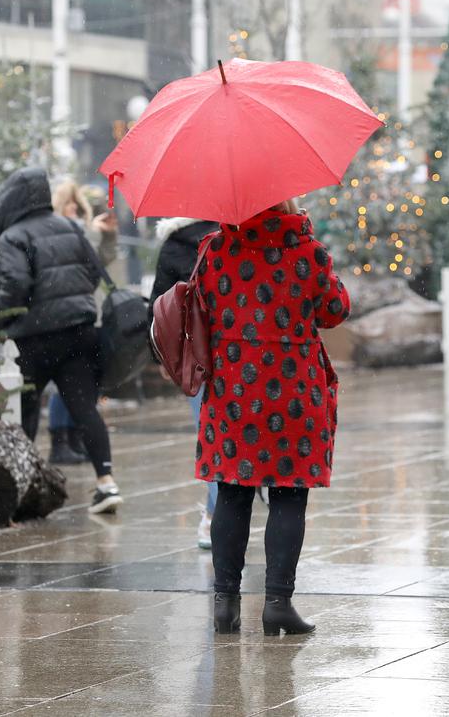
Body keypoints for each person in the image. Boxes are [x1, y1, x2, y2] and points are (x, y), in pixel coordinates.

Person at [196, 201, 349, 636]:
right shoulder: (307, 250)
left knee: (231, 491)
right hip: (292, 391)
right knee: (288, 494)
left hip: (233, 389)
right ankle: (278, 603)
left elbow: (203, 309)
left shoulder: (215, 248)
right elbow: (335, 311)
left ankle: (225, 605)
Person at [0, 167, 123, 515]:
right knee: (84, 408)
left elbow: (14, 284)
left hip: (34, 338)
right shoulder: (70, 227)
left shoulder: (13, 236)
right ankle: (106, 482)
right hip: (78, 333)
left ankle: (24, 488)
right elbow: (94, 270)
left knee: (29, 411)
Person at [150, 216, 221, 549]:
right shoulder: (236, 234)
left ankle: (215, 516)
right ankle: (217, 512)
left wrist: (165, 356)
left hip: (197, 354)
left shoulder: (175, 242)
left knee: (211, 434)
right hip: (242, 349)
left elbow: (160, 304)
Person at [43, 177, 119, 465]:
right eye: (68, 205)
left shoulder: (84, 232)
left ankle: (73, 437)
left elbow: (100, 263)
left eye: (77, 205)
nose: (73, 210)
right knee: (66, 384)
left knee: (81, 384)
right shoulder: (61, 234)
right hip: (67, 318)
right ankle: (61, 438)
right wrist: (92, 232)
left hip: (89, 313)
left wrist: (107, 235)